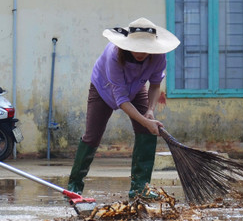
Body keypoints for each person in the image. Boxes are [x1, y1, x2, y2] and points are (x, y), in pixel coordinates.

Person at [67, 18, 180, 199]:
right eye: (137, 46)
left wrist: (150, 111)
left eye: (146, 48)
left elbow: (155, 85)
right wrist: (145, 121)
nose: (141, 52)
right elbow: (121, 99)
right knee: (92, 136)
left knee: (146, 131)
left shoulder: (158, 57)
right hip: (103, 89)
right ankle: (74, 186)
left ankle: (140, 189)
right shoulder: (114, 55)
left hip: (136, 88)